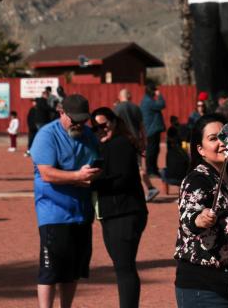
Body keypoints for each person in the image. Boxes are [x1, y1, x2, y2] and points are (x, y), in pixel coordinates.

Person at [30, 94, 101, 308]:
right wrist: (77, 177)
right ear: (62, 113)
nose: (79, 124)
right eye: (75, 119)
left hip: (81, 212)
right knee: (50, 271)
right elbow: (46, 173)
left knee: (73, 271)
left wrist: (92, 175)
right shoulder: (47, 135)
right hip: (54, 212)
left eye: (83, 119)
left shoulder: (88, 135)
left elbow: (97, 164)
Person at [174, 113, 228, 308]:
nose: (222, 143)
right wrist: (200, 219)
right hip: (204, 289)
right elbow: (189, 215)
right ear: (201, 149)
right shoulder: (198, 179)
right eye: (213, 139)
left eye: (225, 137)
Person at [91, 107, 148, 308]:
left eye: (104, 125)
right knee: (123, 267)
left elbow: (122, 180)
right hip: (114, 213)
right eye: (95, 127)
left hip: (124, 213)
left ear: (114, 122)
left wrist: (88, 182)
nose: (100, 129)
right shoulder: (108, 145)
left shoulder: (120, 144)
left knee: (125, 269)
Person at [114, 88, 158, 202]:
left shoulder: (117, 108)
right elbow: (142, 126)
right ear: (129, 96)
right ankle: (149, 188)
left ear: (120, 96)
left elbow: (114, 127)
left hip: (122, 141)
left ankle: (148, 188)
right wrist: (144, 141)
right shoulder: (136, 108)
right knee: (136, 165)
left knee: (128, 166)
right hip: (136, 140)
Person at [140, 86, 166, 177]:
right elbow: (162, 105)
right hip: (152, 129)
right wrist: (159, 96)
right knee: (152, 151)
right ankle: (150, 171)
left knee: (154, 150)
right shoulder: (148, 101)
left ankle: (154, 170)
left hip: (152, 129)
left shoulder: (148, 100)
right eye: (155, 90)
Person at [161, 124, 190, 195]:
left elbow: (168, 164)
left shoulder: (169, 151)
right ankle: (181, 192)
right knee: (184, 168)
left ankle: (166, 193)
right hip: (184, 179)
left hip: (170, 178)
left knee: (163, 170)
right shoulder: (184, 150)